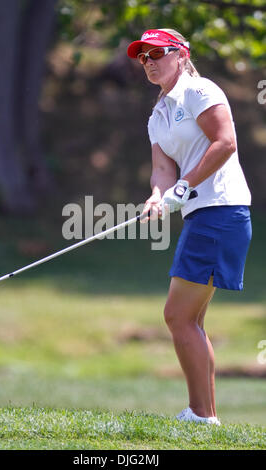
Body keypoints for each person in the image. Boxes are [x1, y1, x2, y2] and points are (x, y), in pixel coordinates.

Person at [127, 28, 252, 425]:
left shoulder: (201, 91)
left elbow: (225, 142)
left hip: (222, 211)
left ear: (181, 55)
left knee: (178, 316)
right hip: (203, 215)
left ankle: (202, 415)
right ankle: (204, 414)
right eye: (142, 56)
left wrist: (183, 187)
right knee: (189, 319)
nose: (149, 61)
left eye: (157, 53)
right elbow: (163, 170)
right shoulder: (158, 115)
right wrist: (156, 195)